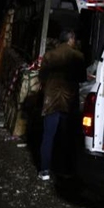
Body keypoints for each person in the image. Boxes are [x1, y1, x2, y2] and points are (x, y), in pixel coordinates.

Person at [38, 29, 86, 181]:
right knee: (67, 137)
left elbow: (42, 77)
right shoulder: (78, 56)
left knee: (48, 136)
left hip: (51, 100)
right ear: (71, 39)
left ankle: (45, 170)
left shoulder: (50, 55)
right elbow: (82, 78)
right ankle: (64, 170)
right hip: (69, 101)